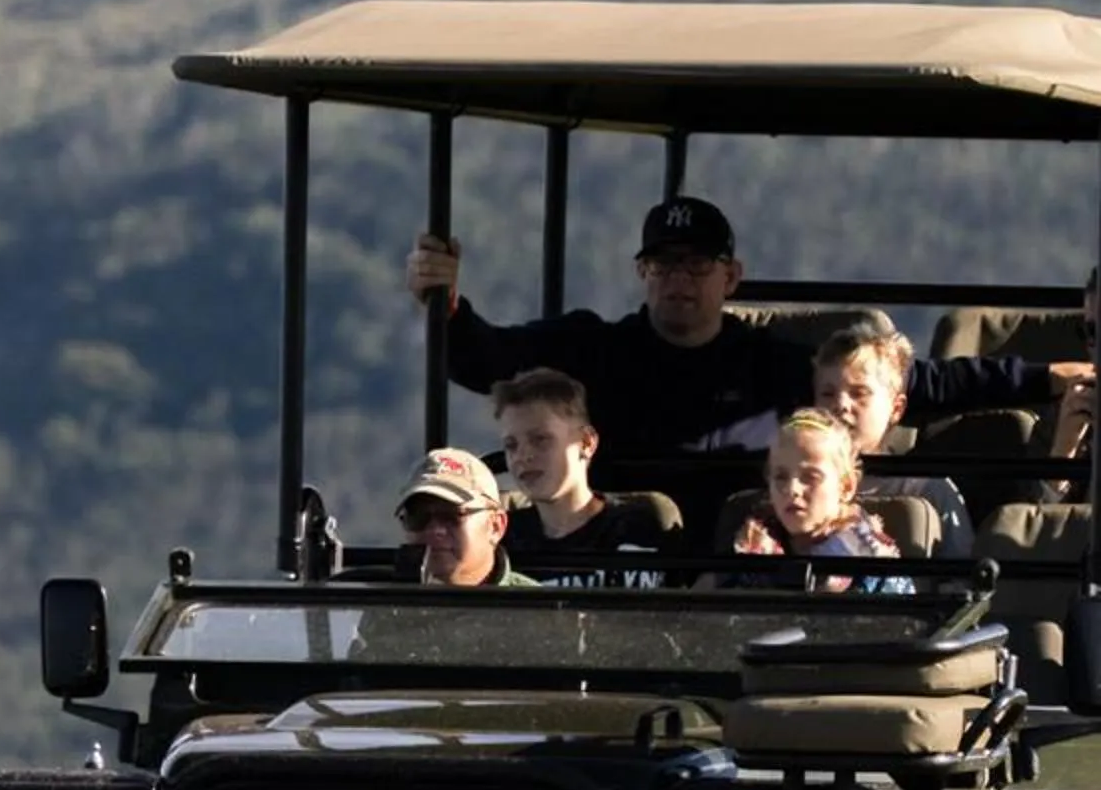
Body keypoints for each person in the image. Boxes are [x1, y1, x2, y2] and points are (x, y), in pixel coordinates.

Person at [404, 198, 1085, 451]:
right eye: (664, 264)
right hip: (620, 554)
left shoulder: (773, 364)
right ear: (642, 272)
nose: (680, 278)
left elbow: (923, 385)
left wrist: (1046, 379)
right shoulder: (594, 348)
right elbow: (485, 362)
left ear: (731, 277)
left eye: (698, 264)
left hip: (737, 559)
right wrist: (447, 301)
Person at [806, 313, 971, 554]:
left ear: (895, 409)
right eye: (827, 394)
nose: (840, 405)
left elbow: (962, 580)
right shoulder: (795, 485)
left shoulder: (929, 492)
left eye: (859, 393)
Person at [492, 368, 676, 582]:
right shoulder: (502, 543)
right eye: (511, 445)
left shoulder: (642, 523)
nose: (522, 456)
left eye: (540, 439)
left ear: (586, 442)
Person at [720, 411, 910, 594]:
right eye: (780, 477)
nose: (792, 489)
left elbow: (899, 623)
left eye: (810, 477)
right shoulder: (749, 547)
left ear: (845, 487)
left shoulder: (871, 562)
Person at [397, 447, 535, 588]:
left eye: (451, 515)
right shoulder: (380, 600)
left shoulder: (539, 605)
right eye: (418, 517)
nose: (435, 530)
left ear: (495, 526)